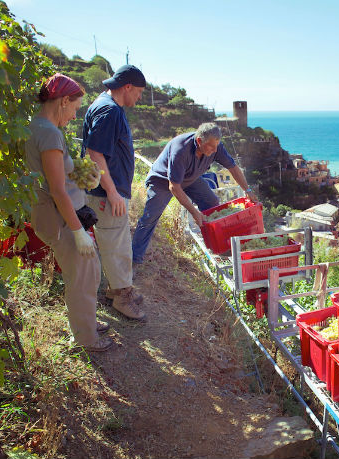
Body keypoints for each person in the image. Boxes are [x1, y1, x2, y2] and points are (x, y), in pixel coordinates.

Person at [25, 73, 112, 352]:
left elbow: (58, 176)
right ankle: (85, 338)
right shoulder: (49, 134)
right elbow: (57, 190)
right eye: (75, 108)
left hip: (58, 215)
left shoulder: (38, 127)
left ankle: (85, 321)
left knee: (89, 270)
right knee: (82, 276)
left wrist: (84, 176)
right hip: (60, 217)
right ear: (64, 101)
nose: (75, 115)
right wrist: (78, 232)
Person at [132, 122, 256, 263]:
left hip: (190, 178)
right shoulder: (180, 149)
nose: (215, 150)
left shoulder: (216, 147)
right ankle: (134, 259)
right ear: (199, 141)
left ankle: (218, 247)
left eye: (217, 146)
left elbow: (233, 167)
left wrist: (248, 190)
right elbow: (174, 187)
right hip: (162, 181)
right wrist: (194, 212)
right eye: (211, 146)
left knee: (212, 203)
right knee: (150, 217)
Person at [81, 65, 146, 321]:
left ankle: (116, 289)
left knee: (115, 240)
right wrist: (112, 192)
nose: (139, 98)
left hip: (106, 189)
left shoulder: (106, 106)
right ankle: (121, 296)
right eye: (138, 92)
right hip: (106, 192)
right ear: (127, 87)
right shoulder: (109, 110)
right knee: (116, 243)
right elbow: (95, 153)